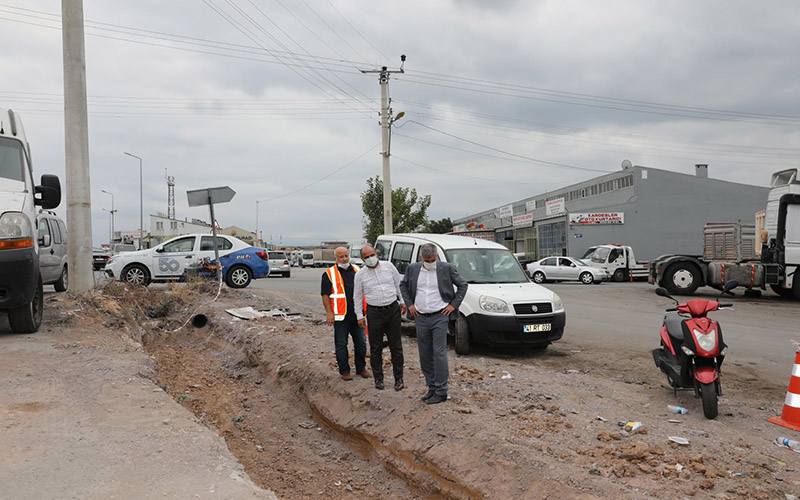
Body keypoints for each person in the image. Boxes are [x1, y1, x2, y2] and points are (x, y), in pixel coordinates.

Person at [400, 243, 468, 405]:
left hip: (440, 316)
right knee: (425, 354)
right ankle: (431, 387)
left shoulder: (446, 268)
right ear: (421, 258)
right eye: (426, 260)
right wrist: (409, 304)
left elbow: (463, 285)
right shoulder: (413, 268)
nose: (429, 262)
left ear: (436, 256)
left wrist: (453, 305)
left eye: (432, 260)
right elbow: (403, 285)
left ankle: (441, 390)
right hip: (421, 317)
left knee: (439, 353)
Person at [353, 245, 407, 391]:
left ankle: (399, 379)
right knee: (376, 348)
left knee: (396, 346)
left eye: (372, 255)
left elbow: (398, 285)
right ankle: (379, 379)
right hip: (374, 313)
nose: (370, 258)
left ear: (376, 254)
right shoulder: (360, 275)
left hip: (392, 310)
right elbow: (357, 296)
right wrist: (359, 315)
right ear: (362, 259)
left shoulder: (388, 266)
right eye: (367, 257)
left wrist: (402, 301)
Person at [321, 247, 370, 381]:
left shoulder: (357, 270)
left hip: (357, 315)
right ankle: (345, 371)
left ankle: (361, 368)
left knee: (361, 343)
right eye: (341, 257)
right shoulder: (329, 274)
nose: (344, 259)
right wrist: (329, 313)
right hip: (340, 316)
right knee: (341, 344)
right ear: (335, 259)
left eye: (346, 256)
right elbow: (325, 295)